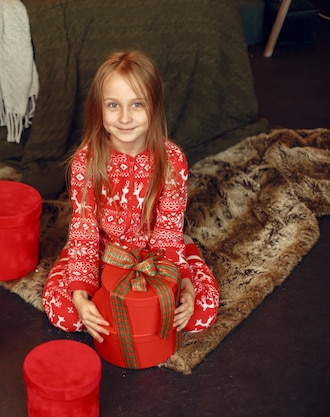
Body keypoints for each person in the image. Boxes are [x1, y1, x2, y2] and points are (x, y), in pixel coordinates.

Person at [42, 50, 219, 343]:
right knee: (68, 315)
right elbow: (85, 231)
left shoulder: (172, 160)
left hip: (158, 255)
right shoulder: (86, 161)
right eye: (113, 105)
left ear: (155, 107)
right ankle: (71, 266)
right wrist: (80, 291)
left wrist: (183, 283)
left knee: (199, 315)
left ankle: (192, 253)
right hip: (102, 252)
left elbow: (167, 234)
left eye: (137, 104)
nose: (124, 118)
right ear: (99, 109)